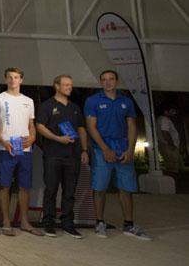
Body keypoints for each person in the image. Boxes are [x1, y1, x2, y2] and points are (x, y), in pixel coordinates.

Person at [85, 70, 151, 240]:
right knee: (100, 187)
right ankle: (99, 222)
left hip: (122, 148)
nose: (108, 82)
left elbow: (132, 126)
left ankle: (129, 224)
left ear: (116, 81)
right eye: (104, 80)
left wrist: (130, 149)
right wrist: (105, 149)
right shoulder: (93, 101)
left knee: (126, 187)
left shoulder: (126, 102)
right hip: (102, 149)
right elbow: (91, 127)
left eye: (111, 79)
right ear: (100, 82)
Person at [36, 75, 89, 239]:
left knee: (70, 191)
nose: (69, 87)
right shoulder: (47, 106)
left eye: (71, 85)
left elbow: (81, 129)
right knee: (51, 189)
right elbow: (40, 126)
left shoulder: (75, 107)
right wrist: (58, 138)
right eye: (66, 85)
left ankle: (67, 223)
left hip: (72, 156)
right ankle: (49, 223)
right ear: (57, 86)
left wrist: (84, 150)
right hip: (53, 154)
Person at [0, 67, 41, 236]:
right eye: (10, 77)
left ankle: (24, 221)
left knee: (24, 186)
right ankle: (6, 220)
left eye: (17, 77)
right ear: (6, 79)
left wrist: (33, 137)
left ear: (21, 80)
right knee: (4, 186)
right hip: (6, 148)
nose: (13, 80)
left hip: (25, 149)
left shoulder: (29, 101)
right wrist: (3, 141)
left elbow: (31, 125)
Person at [157, 105, 181, 178]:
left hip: (165, 144)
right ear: (166, 111)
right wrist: (172, 144)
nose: (174, 113)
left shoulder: (160, 119)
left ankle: (171, 182)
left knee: (169, 164)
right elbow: (165, 132)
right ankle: (172, 183)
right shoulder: (165, 120)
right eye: (172, 111)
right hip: (168, 145)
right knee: (172, 165)